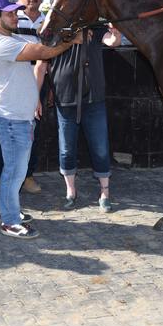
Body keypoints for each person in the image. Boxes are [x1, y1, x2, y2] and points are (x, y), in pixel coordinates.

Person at [0, 0, 79, 239]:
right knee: (15, 170)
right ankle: (10, 220)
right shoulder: (1, 44)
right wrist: (73, 40)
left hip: (17, 117)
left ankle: (7, 208)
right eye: (9, 13)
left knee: (14, 168)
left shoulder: (11, 38)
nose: (15, 16)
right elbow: (44, 52)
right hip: (12, 120)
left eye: (16, 12)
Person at [0, 0, 45, 197]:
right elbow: (44, 52)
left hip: (33, 81)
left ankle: (26, 175)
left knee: (30, 135)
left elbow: (42, 63)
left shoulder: (46, 21)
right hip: (9, 83)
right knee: (2, 138)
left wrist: (36, 93)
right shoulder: (10, 23)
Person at [47, 21, 116, 212]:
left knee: (100, 147)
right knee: (67, 148)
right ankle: (70, 191)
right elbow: (44, 54)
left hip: (93, 97)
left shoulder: (94, 27)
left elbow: (112, 41)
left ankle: (105, 192)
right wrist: (71, 39)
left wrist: (116, 31)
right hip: (65, 97)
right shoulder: (55, 28)